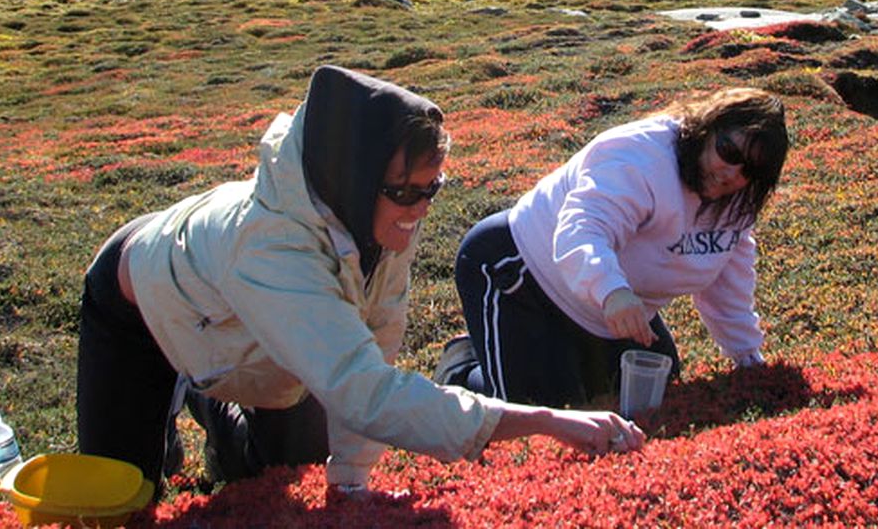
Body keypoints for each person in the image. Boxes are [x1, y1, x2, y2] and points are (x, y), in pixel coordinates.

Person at [76, 65, 642, 506]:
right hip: (143, 307)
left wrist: (350, 480)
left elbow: (378, 338)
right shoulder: (272, 249)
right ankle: (187, 391)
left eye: (432, 190)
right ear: (354, 177)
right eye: (407, 192)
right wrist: (543, 421)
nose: (420, 210)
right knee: (127, 496)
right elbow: (363, 389)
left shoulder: (381, 209)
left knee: (282, 469)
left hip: (258, 319)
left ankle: (210, 401)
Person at [436, 86, 789, 408]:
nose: (731, 173)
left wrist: (749, 361)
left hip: (605, 304)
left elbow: (728, 287)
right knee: (541, 412)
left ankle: (552, 353)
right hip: (520, 271)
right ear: (706, 129)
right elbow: (583, 228)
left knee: (660, 386)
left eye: (750, 170)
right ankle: (462, 365)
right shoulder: (640, 157)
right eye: (728, 151)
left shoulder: (736, 203)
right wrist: (613, 292)